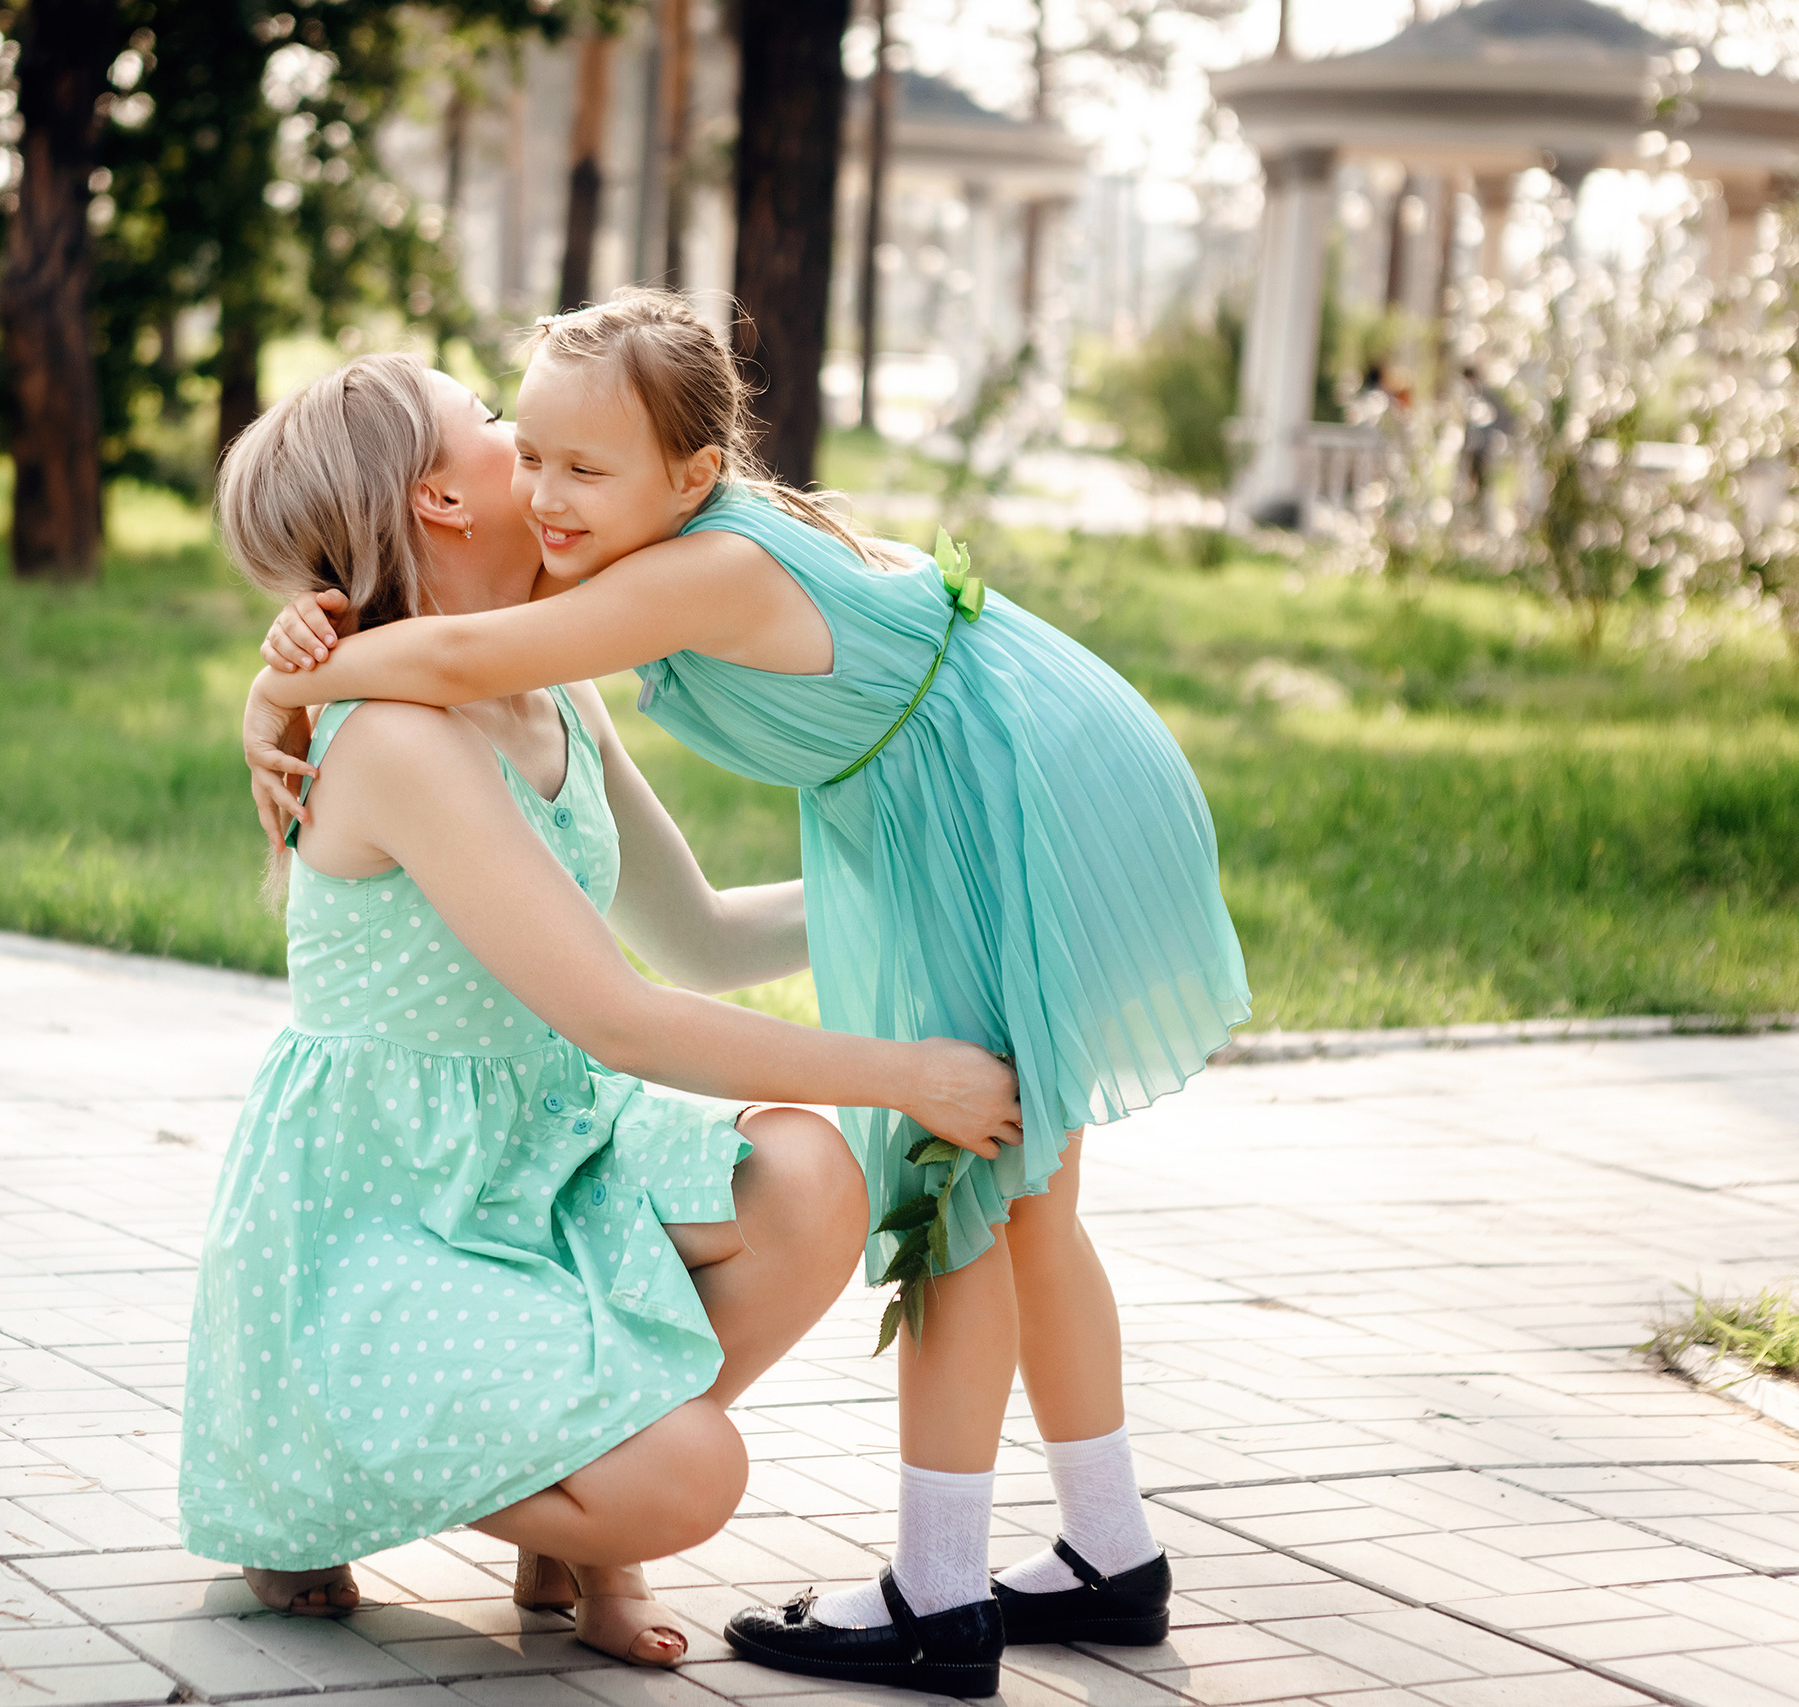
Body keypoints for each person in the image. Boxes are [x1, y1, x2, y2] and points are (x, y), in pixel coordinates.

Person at [245, 290, 1250, 1695]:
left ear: (692, 473)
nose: (541, 484)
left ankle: (941, 1593)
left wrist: (286, 689)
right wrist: (298, 692)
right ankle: (1103, 1551)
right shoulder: (618, 588)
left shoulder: (673, 581)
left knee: (968, 1191)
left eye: (573, 463)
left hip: (1005, 808)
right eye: (519, 448)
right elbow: (692, 946)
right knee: (1019, 1192)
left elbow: (475, 662)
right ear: (441, 490)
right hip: (1002, 813)